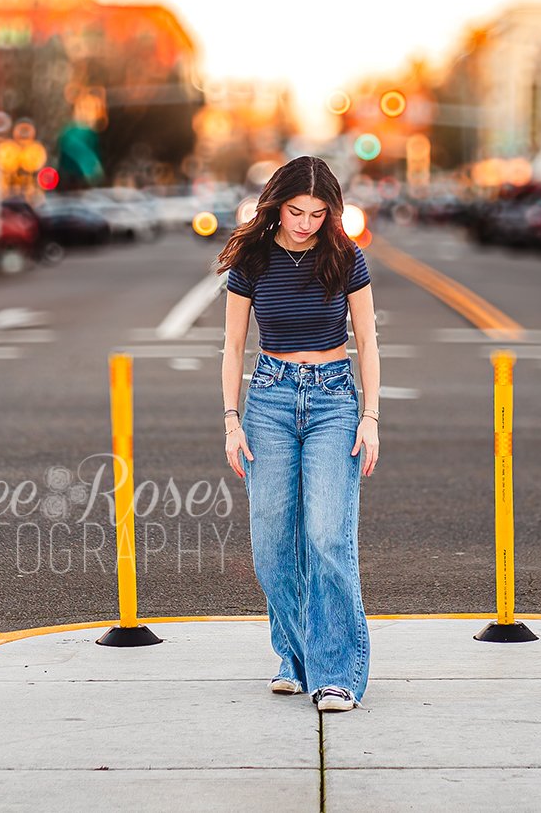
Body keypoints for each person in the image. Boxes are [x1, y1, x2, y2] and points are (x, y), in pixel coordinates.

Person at [219, 156, 381, 713]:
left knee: (327, 537)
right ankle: (294, 654)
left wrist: (372, 417)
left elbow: (369, 343)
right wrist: (231, 420)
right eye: (295, 211)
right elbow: (234, 346)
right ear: (276, 205)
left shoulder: (345, 256)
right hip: (268, 399)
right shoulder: (253, 259)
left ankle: (336, 672)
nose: (306, 223)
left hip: (336, 400)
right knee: (271, 547)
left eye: (317, 213)